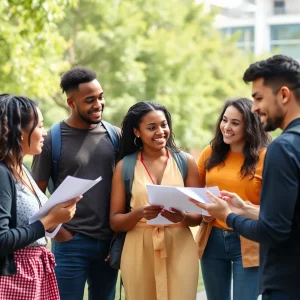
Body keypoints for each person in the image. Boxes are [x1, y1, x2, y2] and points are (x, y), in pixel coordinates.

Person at [190, 55, 300, 300]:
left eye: (258, 98)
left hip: (286, 279)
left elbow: (275, 229)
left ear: (283, 95)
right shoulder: (210, 153)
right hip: (216, 241)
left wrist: (229, 216)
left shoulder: (282, 149)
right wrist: (246, 208)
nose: (255, 107)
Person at [31, 67, 120, 300]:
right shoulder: (52, 139)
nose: (98, 104)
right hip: (71, 244)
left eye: (100, 97)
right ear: (71, 102)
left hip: (109, 245)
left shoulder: (115, 136)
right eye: (89, 100)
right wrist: (59, 232)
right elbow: (35, 194)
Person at [110, 101, 202, 300]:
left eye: (164, 125)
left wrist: (182, 216)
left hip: (180, 247)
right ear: (137, 132)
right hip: (138, 249)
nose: (160, 131)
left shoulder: (186, 161)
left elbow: (198, 217)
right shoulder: (124, 167)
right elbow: (115, 221)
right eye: (151, 127)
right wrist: (139, 213)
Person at [0, 94, 80, 300]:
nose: (44, 133)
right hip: (13, 278)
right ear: (18, 131)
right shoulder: (2, 173)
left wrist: (56, 220)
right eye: (39, 126)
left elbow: (28, 222)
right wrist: (49, 221)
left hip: (34, 275)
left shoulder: (21, 168)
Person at [195, 98, 270, 300]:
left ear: (250, 126)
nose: (226, 127)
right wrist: (202, 209)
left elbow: (273, 207)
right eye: (225, 120)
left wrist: (243, 208)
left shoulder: (266, 156)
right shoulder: (210, 153)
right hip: (212, 238)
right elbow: (193, 192)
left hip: (249, 239)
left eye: (235, 123)